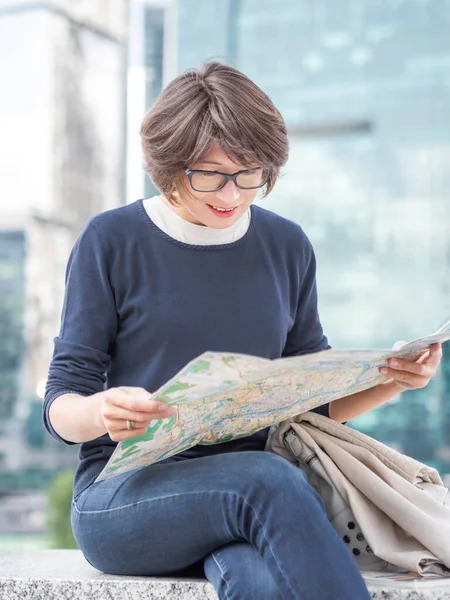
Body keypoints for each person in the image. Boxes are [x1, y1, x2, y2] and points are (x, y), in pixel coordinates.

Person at [43, 61, 442, 600]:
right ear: (167, 167)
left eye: (251, 173)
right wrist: (100, 411)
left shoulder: (287, 246)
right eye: (210, 174)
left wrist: (394, 379)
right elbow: (62, 399)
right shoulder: (111, 240)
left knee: (258, 578)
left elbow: (308, 406)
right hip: (124, 498)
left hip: (250, 501)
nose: (232, 194)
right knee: (269, 479)